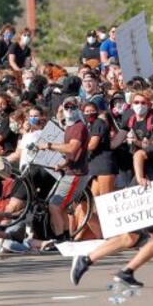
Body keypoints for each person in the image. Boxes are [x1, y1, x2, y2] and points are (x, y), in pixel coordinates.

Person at [68, 121, 153, 287]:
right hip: (141, 194)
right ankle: (99, 263)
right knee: (149, 239)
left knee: (138, 238)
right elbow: (140, 155)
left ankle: (114, 268)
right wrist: (140, 177)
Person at [38, 97, 90, 243]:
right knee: (60, 207)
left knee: (54, 206)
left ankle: (61, 239)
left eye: (72, 107)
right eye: (66, 108)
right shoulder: (70, 126)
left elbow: (72, 147)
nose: (69, 110)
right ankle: (66, 236)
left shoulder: (79, 127)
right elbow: (72, 153)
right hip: (71, 171)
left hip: (76, 174)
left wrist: (49, 145)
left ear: (78, 108)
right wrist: (62, 164)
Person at [83, 101, 115, 196]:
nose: (89, 113)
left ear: (97, 112)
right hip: (96, 167)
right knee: (94, 200)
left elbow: (92, 145)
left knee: (105, 200)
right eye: (87, 111)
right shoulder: (90, 126)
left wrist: (77, 149)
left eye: (92, 111)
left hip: (104, 166)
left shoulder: (98, 123)